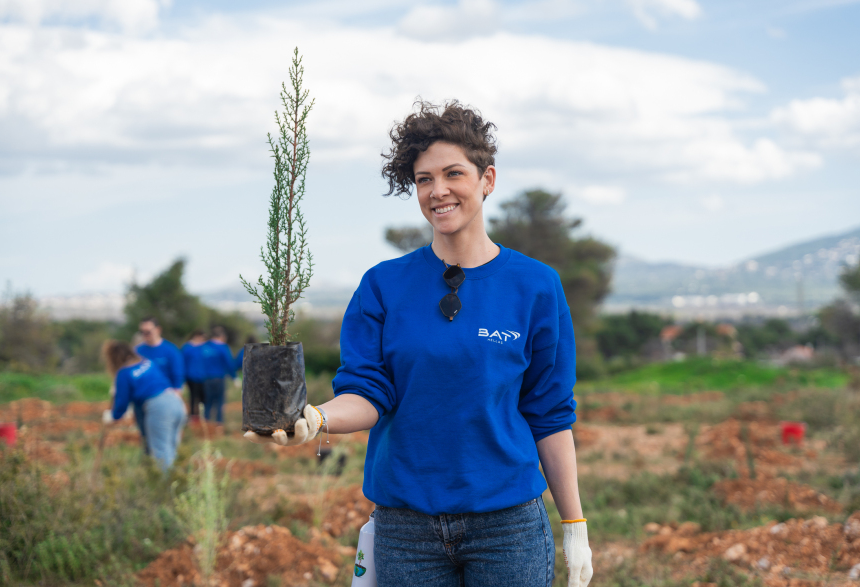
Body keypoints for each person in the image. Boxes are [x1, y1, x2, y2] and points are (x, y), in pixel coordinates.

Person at [245, 101, 593, 587]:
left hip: (507, 526)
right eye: (424, 179)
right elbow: (368, 391)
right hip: (405, 527)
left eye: (453, 173)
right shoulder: (384, 285)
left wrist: (574, 524)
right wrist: (316, 418)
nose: (438, 190)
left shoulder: (535, 286)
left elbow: (550, 412)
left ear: (487, 179)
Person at [102, 340, 186, 471]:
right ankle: (178, 483)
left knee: (161, 452)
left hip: (159, 409)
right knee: (172, 449)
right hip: (176, 403)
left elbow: (121, 404)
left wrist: (112, 416)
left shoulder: (123, 373)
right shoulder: (146, 362)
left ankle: (165, 488)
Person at [135, 317, 185, 394]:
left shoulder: (171, 350)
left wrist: (176, 393)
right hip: (143, 396)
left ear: (158, 330)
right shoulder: (137, 351)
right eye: (142, 332)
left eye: (148, 332)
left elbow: (178, 374)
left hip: (165, 395)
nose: (145, 335)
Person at [203, 326, 235, 426]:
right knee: (219, 401)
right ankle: (218, 423)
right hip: (219, 378)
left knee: (207, 401)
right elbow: (229, 363)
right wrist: (234, 376)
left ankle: (206, 423)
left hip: (206, 379)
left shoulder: (204, 346)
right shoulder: (223, 347)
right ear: (222, 336)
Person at [181, 329, 209, 423]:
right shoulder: (187, 347)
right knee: (193, 396)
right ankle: (193, 416)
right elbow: (182, 362)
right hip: (191, 376)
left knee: (203, 397)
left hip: (203, 376)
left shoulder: (204, 347)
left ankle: (203, 415)